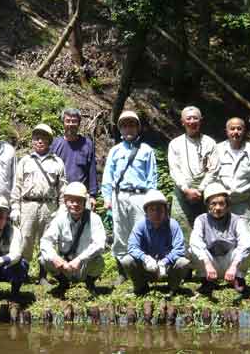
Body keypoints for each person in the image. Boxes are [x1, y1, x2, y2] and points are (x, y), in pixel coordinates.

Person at [101, 111, 158, 286]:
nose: (128, 128)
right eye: (124, 125)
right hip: (119, 196)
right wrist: (107, 197)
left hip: (140, 196)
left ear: (138, 127)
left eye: (132, 124)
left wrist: (151, 201)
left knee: (142, 233)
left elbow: (152, 177)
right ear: (120, 129)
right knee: (120, 233)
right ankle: (122, 271)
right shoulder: (115, 151)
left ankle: (142, 269)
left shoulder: (147, 150)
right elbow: (108, 176)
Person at [11, 123, 67, 285]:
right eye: (36, 138)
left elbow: (62, 187)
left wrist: (62, 207)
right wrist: (15, 207)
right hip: (28, 205)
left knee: (47, 240)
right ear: (32, 141)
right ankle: (22, 274)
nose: (40, 141)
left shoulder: (57, 162)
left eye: (43, 138)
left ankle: (42, 276)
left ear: (49, 141)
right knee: (25, 239)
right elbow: (17, 185)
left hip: (49, 207)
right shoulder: (25, 161)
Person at [40, 182, 106, 294]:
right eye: (71, 201)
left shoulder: (94, 219)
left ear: (85, 202)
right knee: (44, 259)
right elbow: (45, 241)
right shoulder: (59, 219)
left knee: (99, 260)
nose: (75, 204)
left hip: (83, 265)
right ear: (65, 202)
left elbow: (99, 244)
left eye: (79, 201)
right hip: (65, 267)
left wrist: (80, 260)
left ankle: (90, 283)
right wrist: (56, 259)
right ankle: (63, 283)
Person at [189, 183, 250, 295]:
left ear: (227, 205)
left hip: (231, 263)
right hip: (210, 263)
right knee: (192, 249)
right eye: (213, 203)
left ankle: (238, 278)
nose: (217, 208)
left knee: (248, 248)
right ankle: (206, 281)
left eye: (221, 203)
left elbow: (245, 243)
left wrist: (233, 267)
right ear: (208, 205)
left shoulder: (237, 220)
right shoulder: (201, 220)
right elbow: (195, 241)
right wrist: (207, 264)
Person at [168, 106, 219, 244]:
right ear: (182, 122)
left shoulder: (210, 143)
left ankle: (208, 259)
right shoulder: (175, 144)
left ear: (201, 121)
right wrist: (186, 189)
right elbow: (174, 169)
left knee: (208, 225)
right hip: (182, 190)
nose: (192, 121)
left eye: (195, 118)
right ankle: (185, 260)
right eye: (188, 118)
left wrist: (200, 189)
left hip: (205, 191)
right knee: (181, 225)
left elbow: (213, 170)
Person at [124, 190, 190, 296]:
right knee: (127, 260)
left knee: (183, 262)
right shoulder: (140, 225)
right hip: (147, 267)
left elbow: (180, 248)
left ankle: (173, 288)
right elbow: (132, 246)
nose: (156, 213)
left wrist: (165, 261)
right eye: (152, 209)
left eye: (159, 209)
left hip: (167, 267)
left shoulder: (173, 225)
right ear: (146, 212)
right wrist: (145, 258)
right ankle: (140, 288)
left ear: (165, 210)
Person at [217, 117, 250, 235]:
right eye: (232, 129)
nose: (236, 132)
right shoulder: (217, 150)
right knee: (220, 237)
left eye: (239, 129)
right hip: (220, 204)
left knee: (246, 238)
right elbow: (211, 175)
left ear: (244, 131)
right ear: (227, 131)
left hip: (244, 204)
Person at [50, 108, 98, 210]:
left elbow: (92, 170)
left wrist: (93, 195)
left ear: (79, 123)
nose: (71, 124)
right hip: (60, 196)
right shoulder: (55, 144)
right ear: (63, 122)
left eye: (74, 121)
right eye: (68, 121)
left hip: (81, 194)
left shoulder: (87, 144)